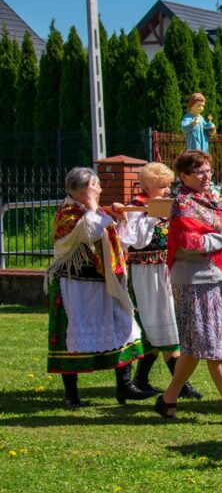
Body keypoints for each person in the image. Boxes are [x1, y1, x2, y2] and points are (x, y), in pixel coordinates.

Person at [154, 150, 222, 427]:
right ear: (183, 176)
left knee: (194, 347)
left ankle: (168, 399)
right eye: (199, 171)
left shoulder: (211, 200)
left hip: (215, 278)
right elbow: (190, 242)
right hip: (194, 281)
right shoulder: (182, 204)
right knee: (212, 346)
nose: (206, 176)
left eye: (208, 170)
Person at [45, 167, 154, 406]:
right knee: (71, 336)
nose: (101, 189)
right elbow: (92, 231)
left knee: (122, 325)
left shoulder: (93, 212)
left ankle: (125, 386)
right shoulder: (68, 213)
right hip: (74, 284)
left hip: (103, 282)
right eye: (96, 185)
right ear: (85, 189)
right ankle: (71, 395)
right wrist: (94, 205)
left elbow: (121, 243)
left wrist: (121, 220)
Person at [115, 162, 202, 400]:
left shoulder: (164, 206)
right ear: (147, 187)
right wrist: (153, 217)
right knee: (156, 321)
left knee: (164, 320)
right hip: (145, 271)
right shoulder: (135, 207)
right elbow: (137, 242)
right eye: (162, 186)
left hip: (165, 268)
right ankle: (179, 384)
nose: (167, 190)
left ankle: (142, 379)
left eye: (168, 185)